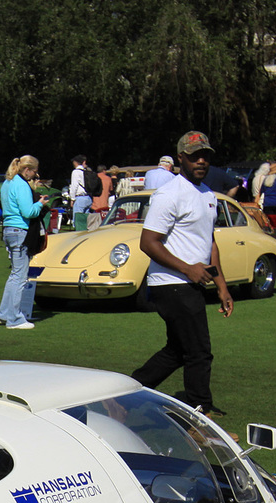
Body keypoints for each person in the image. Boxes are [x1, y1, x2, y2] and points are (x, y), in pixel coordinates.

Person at [132, 131, 234, 415]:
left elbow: (209, 242)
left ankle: (122, 396)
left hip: (190, 283)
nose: (201, 161)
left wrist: (221, 285)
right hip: (171, 283)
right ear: (180, 159)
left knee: (177, 351)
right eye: (194, 156)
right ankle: (201, 418)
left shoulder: (208, 194)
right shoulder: (170, 194)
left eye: (205, 156)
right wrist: (188, 268)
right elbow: (147, 242)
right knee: (199, 352)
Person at [0, 154, 47, 330]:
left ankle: (3, 312)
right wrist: (40, 204)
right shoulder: (21, 184)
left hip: (8, 229)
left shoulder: (7, 183)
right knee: (20, 276)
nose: (35, 176)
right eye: (34, 172)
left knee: (15, 274)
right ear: (27, 170)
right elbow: (28, 212)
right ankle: (14, 318)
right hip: (19, 230)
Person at [68, 154, 89, 231]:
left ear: (75, 162)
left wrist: (72, 198)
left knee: (78, 221)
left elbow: (74, 186)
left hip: (80, 198)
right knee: (86, 222)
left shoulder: (76, 172)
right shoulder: (86, 171)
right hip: (88, 198)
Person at [89, 165, 113, 229]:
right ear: (104, 170)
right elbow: (111, 189)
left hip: (94, 205)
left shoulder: (94, 177)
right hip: (104, 205)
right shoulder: (108, 179)